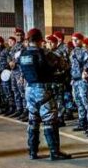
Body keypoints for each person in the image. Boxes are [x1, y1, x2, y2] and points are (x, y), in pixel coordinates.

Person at [19, 28, 71, 161]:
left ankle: (32, 151)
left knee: (33, 120)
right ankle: (54, 152)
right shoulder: (45, 53)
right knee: (50, 120)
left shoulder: (23, 54)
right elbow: (64, 65)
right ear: (40, 39)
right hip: (43, 89)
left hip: (29, 89)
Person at [69, 32, 88, 132]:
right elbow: (73, 66)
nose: (74, 42)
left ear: (81, 40)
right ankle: (82, 122)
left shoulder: (85, 51)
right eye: (73, 40)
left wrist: (85, 71)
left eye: (76, 40)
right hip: (75, 80)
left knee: (86, 102)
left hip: (82, 80)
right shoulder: (73, 51)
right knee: (78, 102)